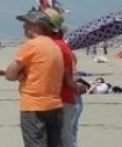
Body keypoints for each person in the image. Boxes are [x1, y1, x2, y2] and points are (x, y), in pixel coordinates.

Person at [5, 9, 65, 147]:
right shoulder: (55, 46)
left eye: (27, 23)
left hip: (34, 106)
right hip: (55, 104)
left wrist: (19, 75)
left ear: (37, 26)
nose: (24, 26)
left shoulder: (31, 45)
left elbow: (9, 74)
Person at [42, 8, 82, 147]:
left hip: (63, 100)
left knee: (64, 140)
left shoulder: (57, 46)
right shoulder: (62, 46)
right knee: (68, 139)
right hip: (67, 99)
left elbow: (67, 78)